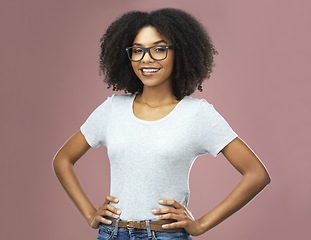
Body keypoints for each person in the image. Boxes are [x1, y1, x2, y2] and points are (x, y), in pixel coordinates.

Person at [53, 8, 271, 240]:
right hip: (112, 234)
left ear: (180, 53)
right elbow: (62, 160)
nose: (146, 58)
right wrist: (90, 215)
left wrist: (201, 225)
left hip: (164, 235)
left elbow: (256, 174)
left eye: (159, 49)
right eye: (138, 50)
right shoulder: (112, 109)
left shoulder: (197, 114)